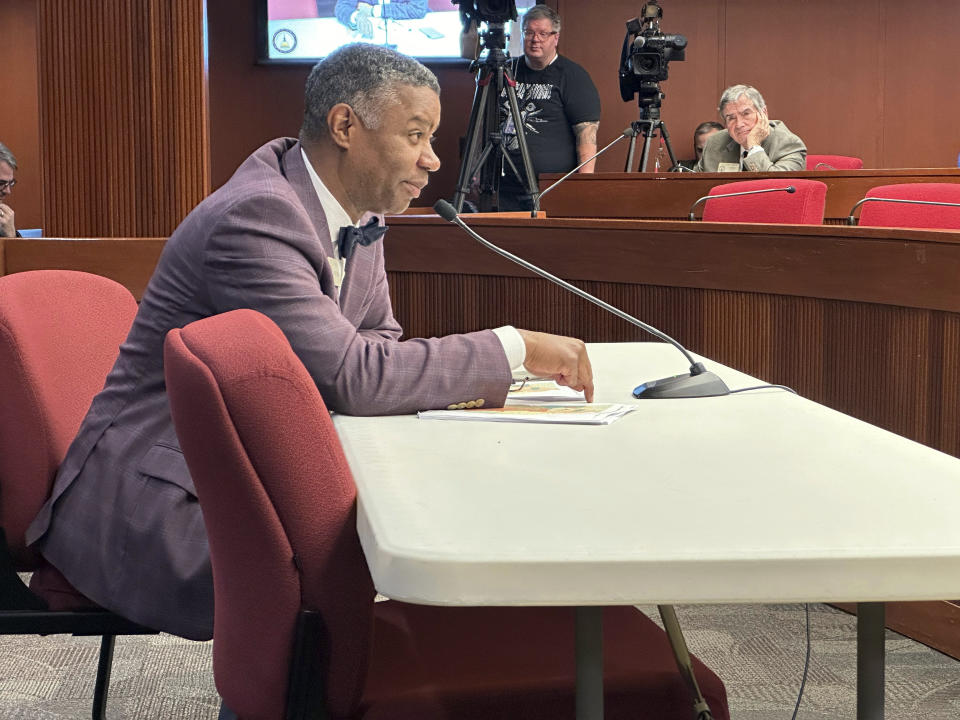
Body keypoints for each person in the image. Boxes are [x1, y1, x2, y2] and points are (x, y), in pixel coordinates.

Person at [26, 43, 593, 642]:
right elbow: (355, 375)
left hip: (243, 459)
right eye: (416, 135)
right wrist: (515, 348)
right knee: (373, 570)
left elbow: (378, 341)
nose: (431, 160)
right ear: (345, 125)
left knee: (421, 520)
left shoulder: (361, 212)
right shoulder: (257, 218)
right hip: (158, 496)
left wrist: (371, 369)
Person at [496, 4, 600, 211]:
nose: (536, 39)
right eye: (529, 33)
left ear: (556, 38)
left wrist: (584, 187)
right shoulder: (505, 70)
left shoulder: (573, 76)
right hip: (504, 187)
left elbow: (587, 135)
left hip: (552, 189)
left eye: (543, 33)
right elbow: (486, 124)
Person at [694, 85, 806, 172]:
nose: (739, 124)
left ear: (764, 113)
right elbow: (694, 187)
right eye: (731, 118)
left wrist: (753, 147)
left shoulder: (789, 144)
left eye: (746, 114)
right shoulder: (715, 143)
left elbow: (777, 189)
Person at [335, 0, 427, 38]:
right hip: (372, 39)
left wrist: (373, 10)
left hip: (410, 35)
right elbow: (341, 7)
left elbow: (417, 9)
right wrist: (356, 16)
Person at [0, 142, 19, 238]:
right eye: (1, 183)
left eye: (10, 183)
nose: (8, 191)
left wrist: (11, 235)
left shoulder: (4, 223)